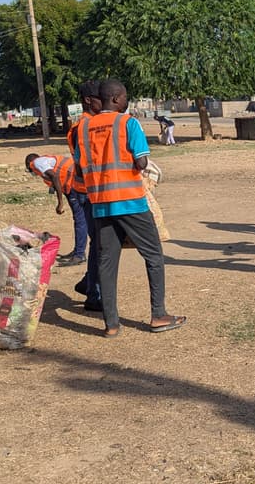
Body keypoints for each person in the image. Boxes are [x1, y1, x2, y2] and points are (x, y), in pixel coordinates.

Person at [73, 79, 185, 337]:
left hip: (100, 204)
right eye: (125, 97)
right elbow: (142, 160)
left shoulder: (83, 128)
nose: (127, 102)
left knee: (107, 263)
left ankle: (111, 324)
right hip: (130, 201)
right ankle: (158, 315)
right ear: (116, 98)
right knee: (154, 255)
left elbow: (79, 168)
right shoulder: (127, 123)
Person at [69, 80, 103, 311]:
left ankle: (90, 284)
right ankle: (93, 292)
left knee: (101, 244)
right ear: (88, 100)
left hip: (91, 191)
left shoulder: (93, 123)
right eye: (101, 97)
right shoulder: (85, 126)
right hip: (88, 193)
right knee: (101, 245)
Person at [24, 153, 88, 267]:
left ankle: (79, 254)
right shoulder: (46, 161)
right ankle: (78, 251)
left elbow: (54, 176)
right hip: (74, 183)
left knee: (80, 220)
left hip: (74, 184)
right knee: (79, 220)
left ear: (29, 164)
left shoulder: (37, 163)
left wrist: (60, 203)